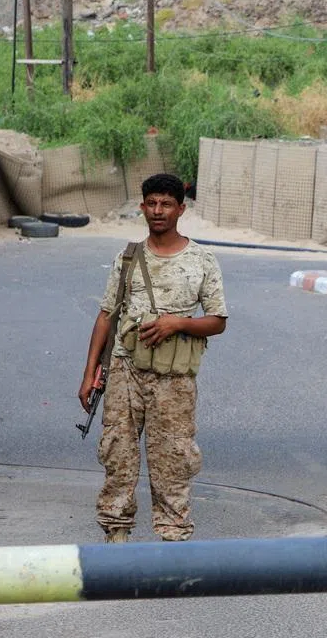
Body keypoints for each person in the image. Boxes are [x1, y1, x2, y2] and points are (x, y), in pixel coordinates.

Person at [77, 173, 228, 543]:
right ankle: (116, 533)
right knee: (117, 452)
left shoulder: (201, 260)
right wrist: (89, 372)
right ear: (142, 207)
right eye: (151, 203)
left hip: (173, 379)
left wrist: (177, 324)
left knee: (174, 457)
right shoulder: (128, 258)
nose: (158, 211)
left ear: (181, 209)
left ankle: (173, 534)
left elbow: (218, 321)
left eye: (166, 204)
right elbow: (106, 315)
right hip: (125, 370)